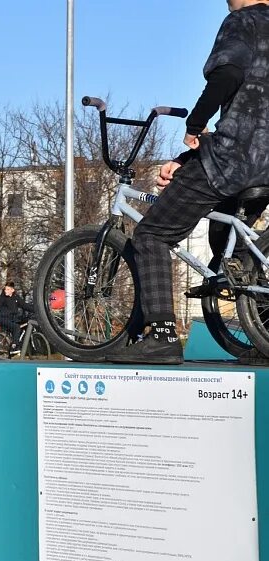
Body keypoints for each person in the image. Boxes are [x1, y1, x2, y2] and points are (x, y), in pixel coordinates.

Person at [107, 0, 269, 365]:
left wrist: (195, 125)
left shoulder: (243, 21)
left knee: (152, 235)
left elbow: (226, 75)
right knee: (229, 245)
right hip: (264, 166)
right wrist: (186, 161)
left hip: (234, 162)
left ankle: (162, 337)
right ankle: (261, 337)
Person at [0, 282, 35, 355]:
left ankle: (20, 344)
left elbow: (25, 306)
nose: (6, 291)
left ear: (12, 290)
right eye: (5, 289)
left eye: (8, 289)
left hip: (13, 319)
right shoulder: (0, 298)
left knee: (26, 323)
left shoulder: (16, 298)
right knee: (16, 327)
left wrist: (37, 310)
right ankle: (14, 347)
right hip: (3, 319)